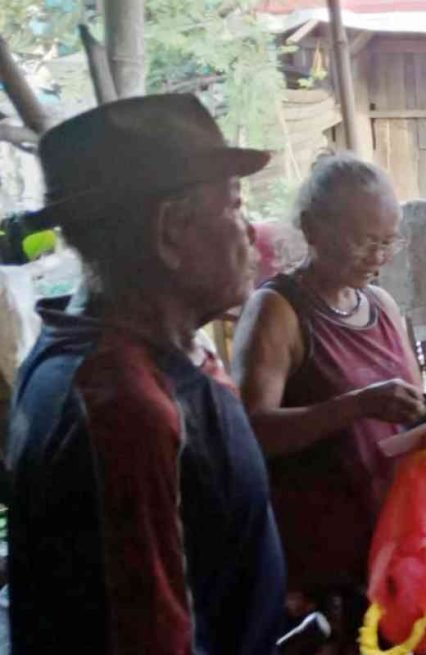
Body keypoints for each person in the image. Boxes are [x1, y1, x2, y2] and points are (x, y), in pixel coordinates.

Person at [5, 94, 286, 653]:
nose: (250, 233)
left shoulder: (156, 356)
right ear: (172, 229)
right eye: (233, 208)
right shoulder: (124, 405)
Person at [231, 153, 426, 654]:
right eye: (364, 240)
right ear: (313, 228)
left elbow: (408, 405)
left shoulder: (380, 307)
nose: (378, 255)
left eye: (388, 241)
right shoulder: (277, 310)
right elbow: (251, 432)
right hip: (323, 562)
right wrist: (355, 406)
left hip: (392, 545)